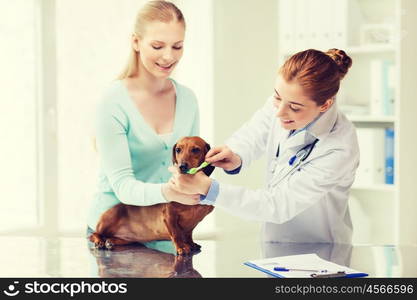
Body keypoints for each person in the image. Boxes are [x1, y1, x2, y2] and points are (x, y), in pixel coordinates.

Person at [168, 49, 359, 244]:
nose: (279, 112)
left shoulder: (339, 147)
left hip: (321, 250)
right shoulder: (284, 101)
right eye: (277, 97)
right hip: (274, 242)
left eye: (294, 107)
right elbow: (255, 131)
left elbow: (279, 205)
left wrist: (210, 189)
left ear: (325, 105)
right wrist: (235, 153)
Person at [87, 0, 200, 235]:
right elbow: (123, 187)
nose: (168, 56)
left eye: (177, 46)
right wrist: (169, 191)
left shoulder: (188, 100)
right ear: (136, 42)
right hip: (114, 233)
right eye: (158, 46)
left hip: (164, 231)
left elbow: (189, 169)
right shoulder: (113, 101)